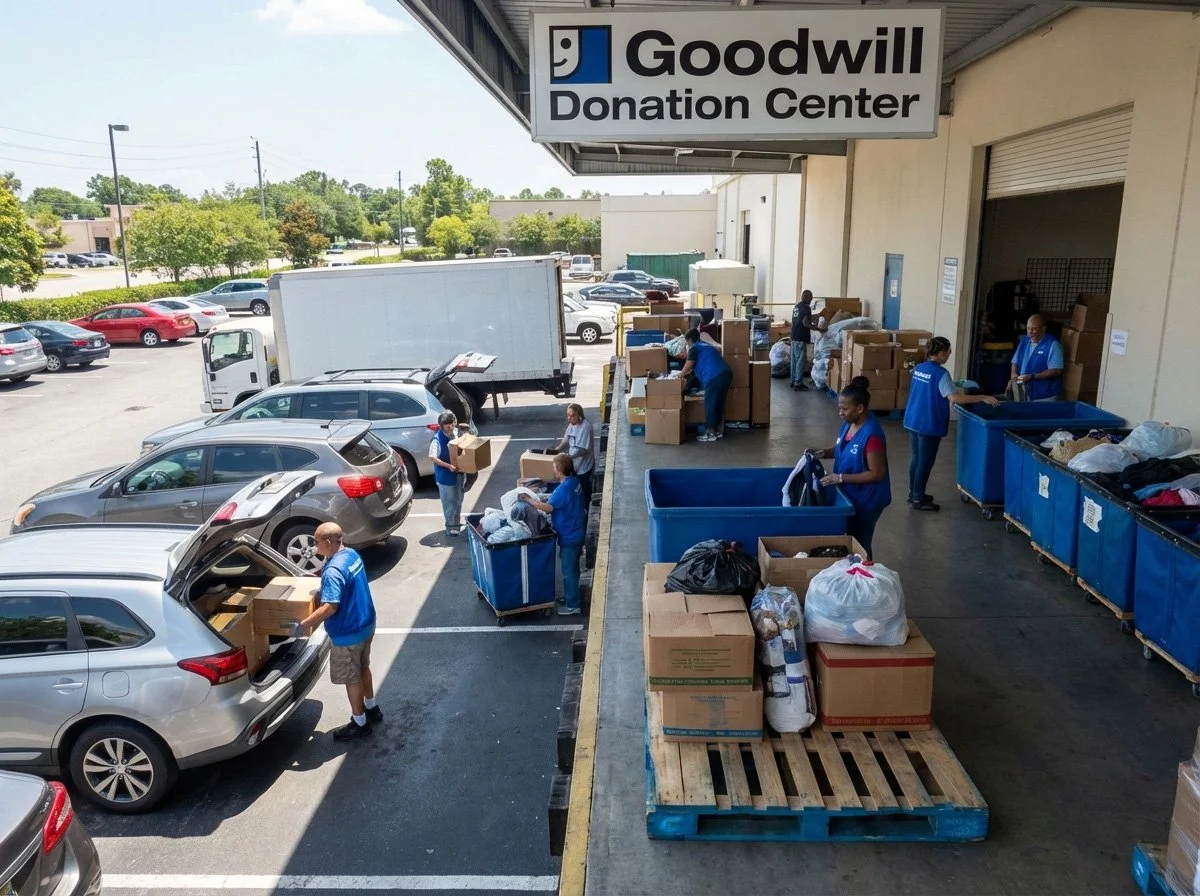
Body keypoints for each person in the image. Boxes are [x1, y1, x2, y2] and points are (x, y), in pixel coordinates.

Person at [293, 522, 380, 741]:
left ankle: (360, 723)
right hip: (366, 623)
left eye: (317, 541)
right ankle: (372, 708)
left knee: (352, 678)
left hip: (347, 633)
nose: (314, 546)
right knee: (363, 667)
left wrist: (304, 624)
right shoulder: (351, 555)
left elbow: (331, 607)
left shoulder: (332, 571)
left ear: (329, 542)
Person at [903, 337, 1000, 511]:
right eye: (948, 351)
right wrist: (982, 397)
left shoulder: (919, 368)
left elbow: (930, 387)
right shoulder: (941, 373)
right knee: (925, 461)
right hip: (928, 423)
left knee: (917, 459)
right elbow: (954, 398)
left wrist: (954, 384)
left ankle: (914, 492)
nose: (949, 354)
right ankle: (917, 498)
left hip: (913, 420)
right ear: (940, 353)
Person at [810, 377, 892, 559]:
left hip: (868, 500)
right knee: (849, 538)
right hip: (851, 495)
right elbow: (841, 449)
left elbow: (877, 474)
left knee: (861, 543)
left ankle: (864, 578)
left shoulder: (872, 436)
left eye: (844, 409)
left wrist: (839, 478)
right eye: (840, 407)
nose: (840, 413)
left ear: (860, 408)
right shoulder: (849, 424)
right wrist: (823, 453)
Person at [519, 454, 587, 616]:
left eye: (555, 467)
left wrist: (530, 500)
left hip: (570, 535)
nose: (553, 469)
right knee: (573, 569)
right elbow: (557, 499)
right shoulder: (573, 482)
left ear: (560, 469)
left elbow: (548, 507)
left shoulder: (564, 488)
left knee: (568, 570)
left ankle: (573, 605)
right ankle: (571, 596)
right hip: (576, 530)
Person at [679, 328, 732, 443]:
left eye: (686, 342)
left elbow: (689, 364)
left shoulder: (694, 348)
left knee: (710, 403)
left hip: (714, 376)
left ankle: (710, 432)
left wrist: (680, 375)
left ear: (689, 340)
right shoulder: (706, 346)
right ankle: (717, 431)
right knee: (718, 402)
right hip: (726, 373)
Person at [1010, 314, 1064, 401]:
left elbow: (1057, 370)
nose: (1030, 332)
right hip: (1026, 391)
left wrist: (1033, 376)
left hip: (1045, 395)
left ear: (1043, 329)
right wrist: (1013, 374)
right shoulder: (1025, 340)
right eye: (1028, 328)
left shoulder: (1053, 345)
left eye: (1034, 328)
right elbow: (1015, 361)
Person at [549, 403, 595, 507]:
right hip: (574, 465)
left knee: (584, 492)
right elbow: (566, 439)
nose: (569, 418)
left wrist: (569, 457)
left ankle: (586, 511)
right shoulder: (572, 425)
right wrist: (558, 449)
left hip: (583, 467)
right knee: (575, 490)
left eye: (572, 415)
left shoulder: (585, 427)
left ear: (579, 415)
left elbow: (584, 450)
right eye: (568, 415)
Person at [429, 411, 465, 536]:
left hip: (458, 474)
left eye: (452, 425)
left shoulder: (455, 432)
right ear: (441, 426)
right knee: (449, 502)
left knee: (459, 500)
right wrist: (448, 465)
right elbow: (432, 457)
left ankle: (456, 523)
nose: (451, 428)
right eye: (447, 426)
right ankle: (451, 527)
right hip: (445, 476)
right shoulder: (437, 440)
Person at [790, 289, 818, 390]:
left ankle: (793, 380)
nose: (811, 300)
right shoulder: (806, 308)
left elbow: (795, 321)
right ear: (806, 297)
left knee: (794, 360)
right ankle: (798, 383)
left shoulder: (797, 307)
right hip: (801, 337)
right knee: (800, 361)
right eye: (810, 298)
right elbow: (805, 323)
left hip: (794, 336)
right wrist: (818, 329)